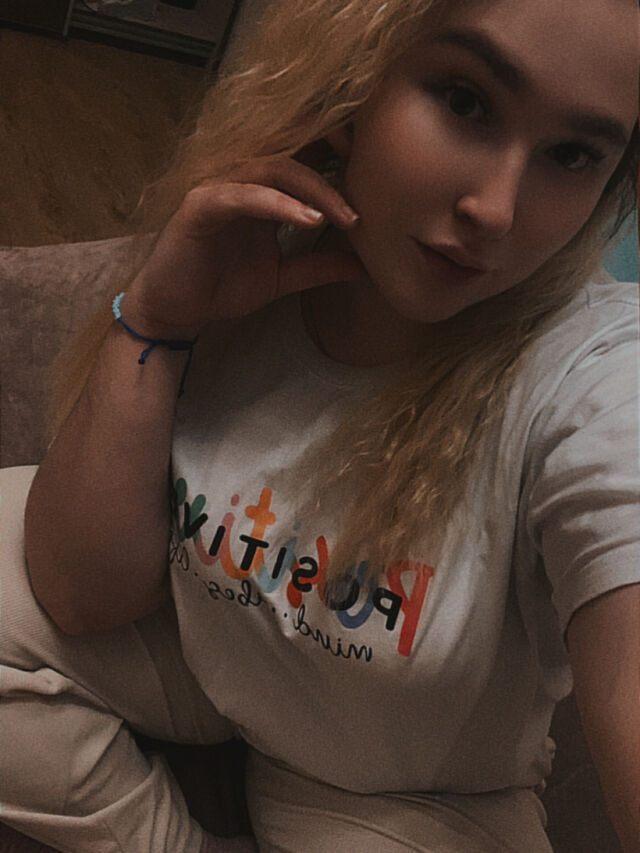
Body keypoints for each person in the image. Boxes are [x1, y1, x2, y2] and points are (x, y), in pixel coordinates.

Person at [1, 0, 638, 850]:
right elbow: (80, 593)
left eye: (572, 154)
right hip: (210, 653)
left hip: (414, 790)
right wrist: (157, 320)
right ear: (353, 77)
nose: (496, 208)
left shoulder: (597, 372)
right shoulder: (251, 245)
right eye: (466, 100)